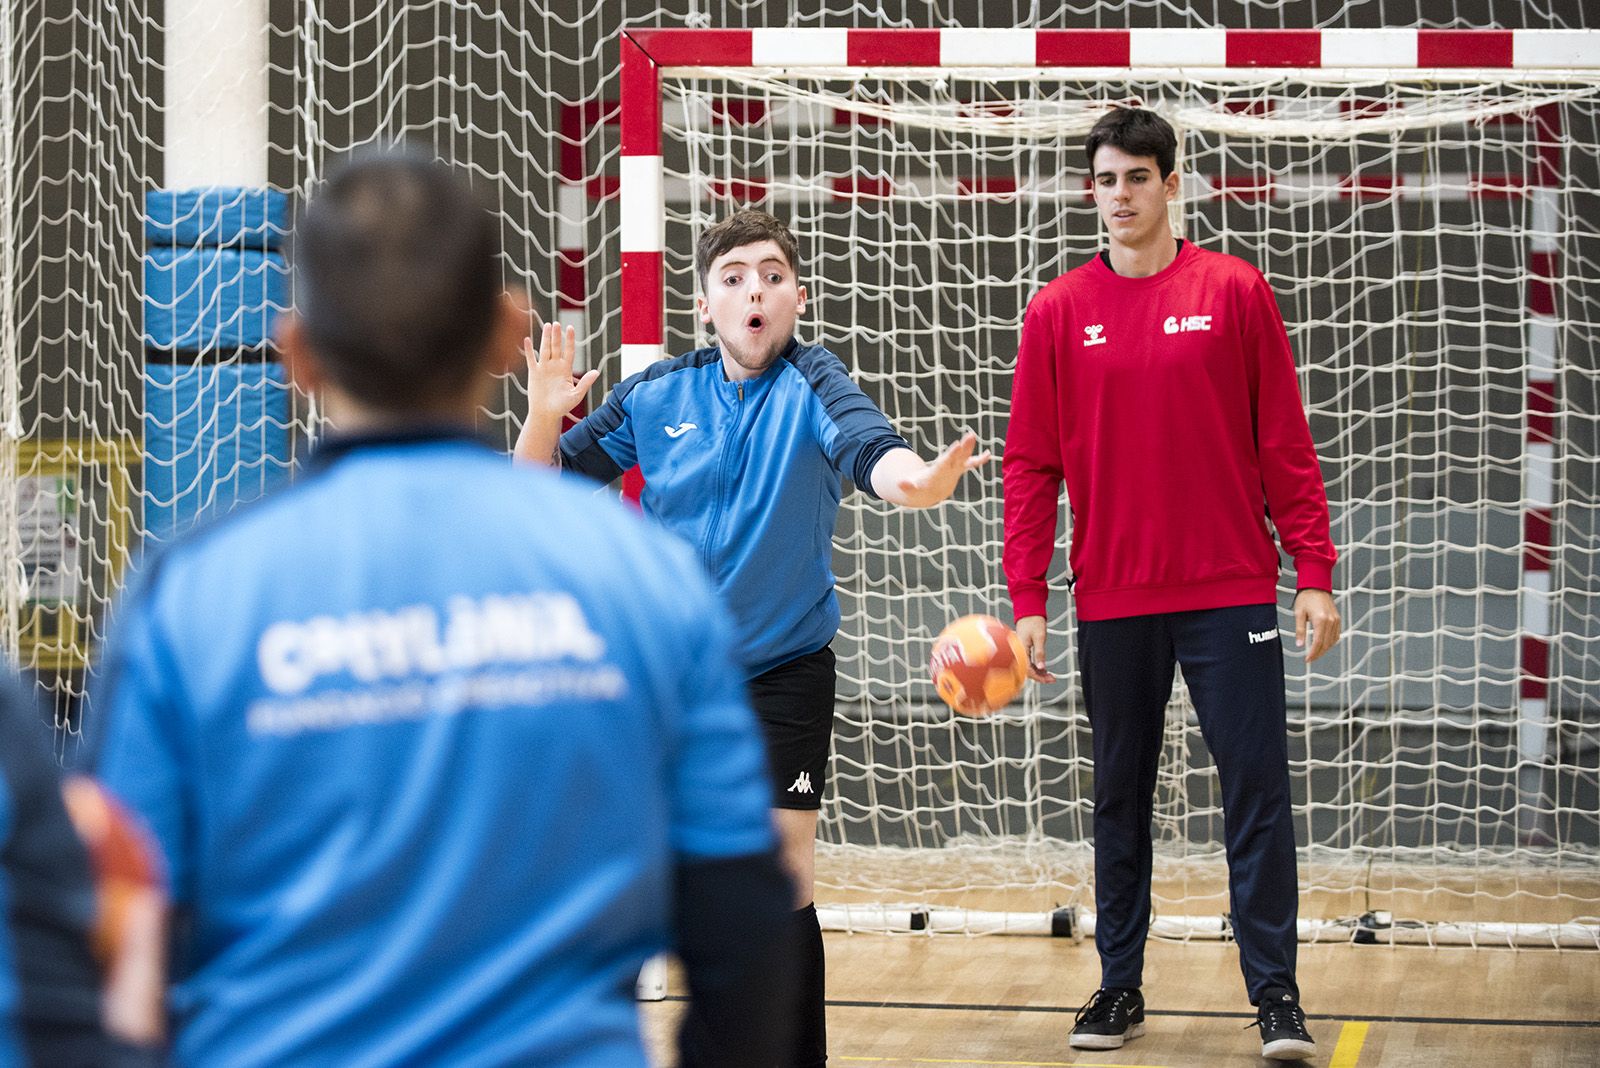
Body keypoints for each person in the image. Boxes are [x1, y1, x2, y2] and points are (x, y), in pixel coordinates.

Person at [87, 151, 796, 1067]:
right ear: (508, 336)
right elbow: (744, 935)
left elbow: (113, 946)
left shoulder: (186, 594)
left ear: (294, 352)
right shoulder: (645, 580)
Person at [516, 207, 988, 1068]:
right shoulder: (656, 392)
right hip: (668, 675)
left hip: (783, 670)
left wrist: (921, 482)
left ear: (796, 295)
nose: (754, 290)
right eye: (733, 277)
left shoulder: (816, 383)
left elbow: (876, 457)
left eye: (770, 274)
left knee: (782, 875)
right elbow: (530, 490)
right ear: (706, 304)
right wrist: (545, 412)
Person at [1002, 107, 1341, 1062]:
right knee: (1118, 799)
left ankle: (1275, 996)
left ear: (1170, 182)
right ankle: (1118, 989)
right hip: (1112, 598)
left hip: (1232, 588)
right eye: (1105, 180)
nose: (1120, 196)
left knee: (1256, 794)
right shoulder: (1058, 311)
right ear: (1091, 190)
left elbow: (1284, 440)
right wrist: (1027, 597)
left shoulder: (1232, 290)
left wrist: (1312, 571)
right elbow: (1029, 466)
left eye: (1137, 178)